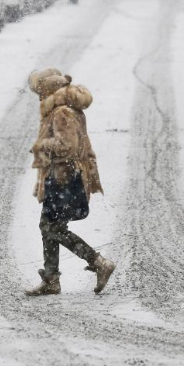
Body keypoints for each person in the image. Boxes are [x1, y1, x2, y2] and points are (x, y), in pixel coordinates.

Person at [25, 68, 115, 296]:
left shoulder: (62, 112)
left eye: (39, 91)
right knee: (49, 226)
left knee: (51, 227)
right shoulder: (64, 108)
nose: (38, 96)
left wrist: (42, 146)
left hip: (65, 178)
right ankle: (51, 279)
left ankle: (98, 262)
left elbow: (68, 147)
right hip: (63, 176)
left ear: (47, 88)